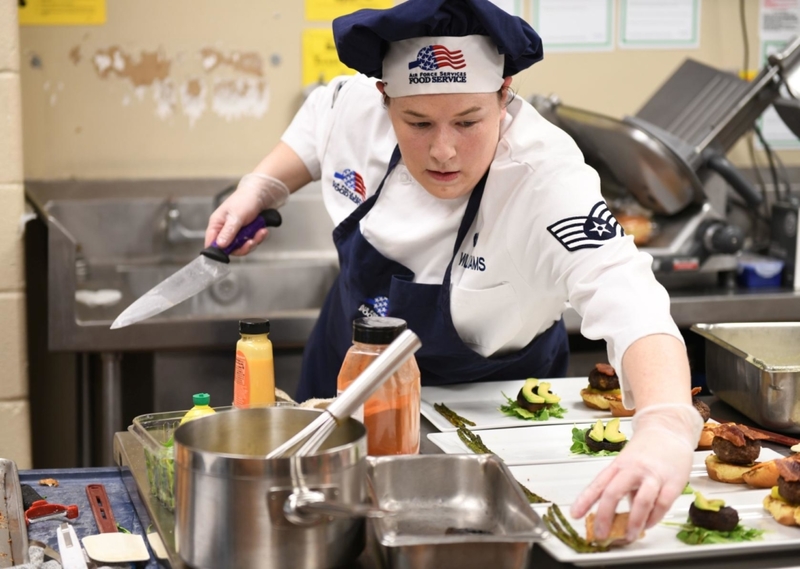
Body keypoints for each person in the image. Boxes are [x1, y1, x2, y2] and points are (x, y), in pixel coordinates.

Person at [205, 0, 702, 543]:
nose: (443, 150)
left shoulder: (544, 180)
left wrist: (666, 421)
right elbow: (317, 122)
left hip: (491, 415)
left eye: (469, 121)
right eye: (417, 122)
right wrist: (263, 185)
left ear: (504, 94)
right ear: (384, 98)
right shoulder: (357, 107)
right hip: (344, 379)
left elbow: (625, 290)